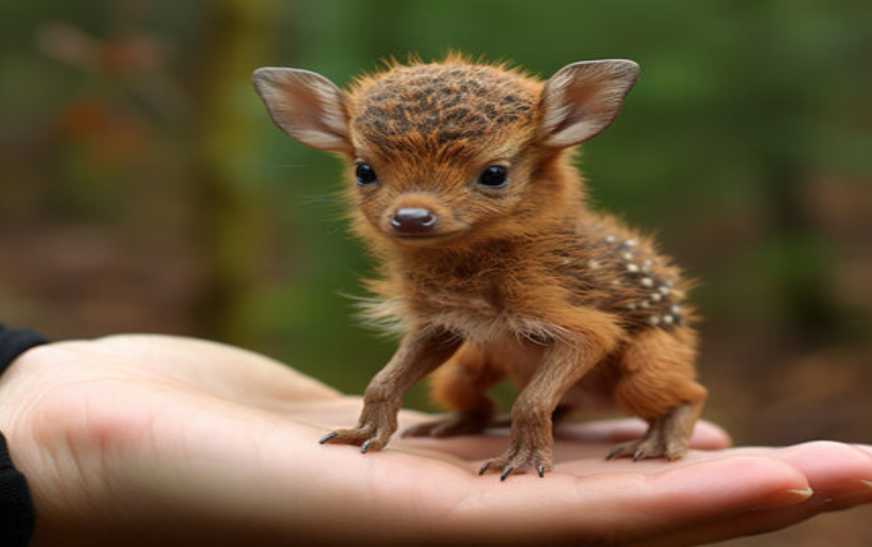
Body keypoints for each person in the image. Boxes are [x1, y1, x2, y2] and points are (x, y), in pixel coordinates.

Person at [0, 327, 870, 546]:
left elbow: (580, 333)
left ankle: (670, 414)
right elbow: (438, 332)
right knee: (460, 373)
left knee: (646, 378)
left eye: (488, 178)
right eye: (376, 177)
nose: (415, 210)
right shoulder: (428, 265)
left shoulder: (551, 259)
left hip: (598, 358)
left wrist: (537, 410)